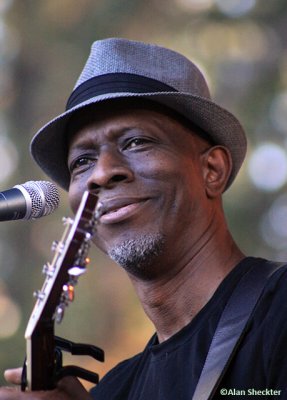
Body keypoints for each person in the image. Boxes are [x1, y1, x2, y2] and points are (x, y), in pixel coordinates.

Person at [1, 38, 287, 399]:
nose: (102, 173)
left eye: (136, 142)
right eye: (82, 162)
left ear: (212, 169)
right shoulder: (113, 390)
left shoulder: (279, 314)